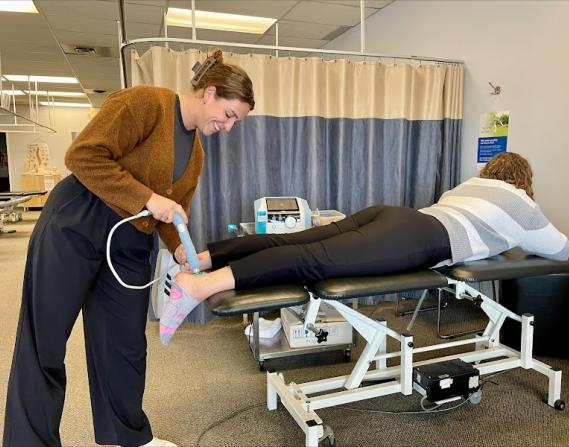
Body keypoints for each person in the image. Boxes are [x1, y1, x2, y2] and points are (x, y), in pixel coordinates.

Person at [3, 50, 254, 447]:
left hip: (130, 241)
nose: (228, 126)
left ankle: (129, 436)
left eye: (236, 121)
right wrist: (148, 198)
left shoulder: (196, 156)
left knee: (125, 345)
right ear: (209, 93)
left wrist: (179, 248)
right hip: (77, 222)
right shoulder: (146, 103)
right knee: (44, 342)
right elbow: (82, 155)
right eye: (228, 115)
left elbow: (174, 212)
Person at [159, 152, 569, 343]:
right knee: (311, 260)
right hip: (420, 238)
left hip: (393, 216)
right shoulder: (522, 203)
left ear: (491, 170)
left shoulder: (469, 185)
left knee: (299, 239)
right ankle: (198, 285)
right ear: (523, 181)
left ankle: (203, 257)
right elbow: (560, 250)